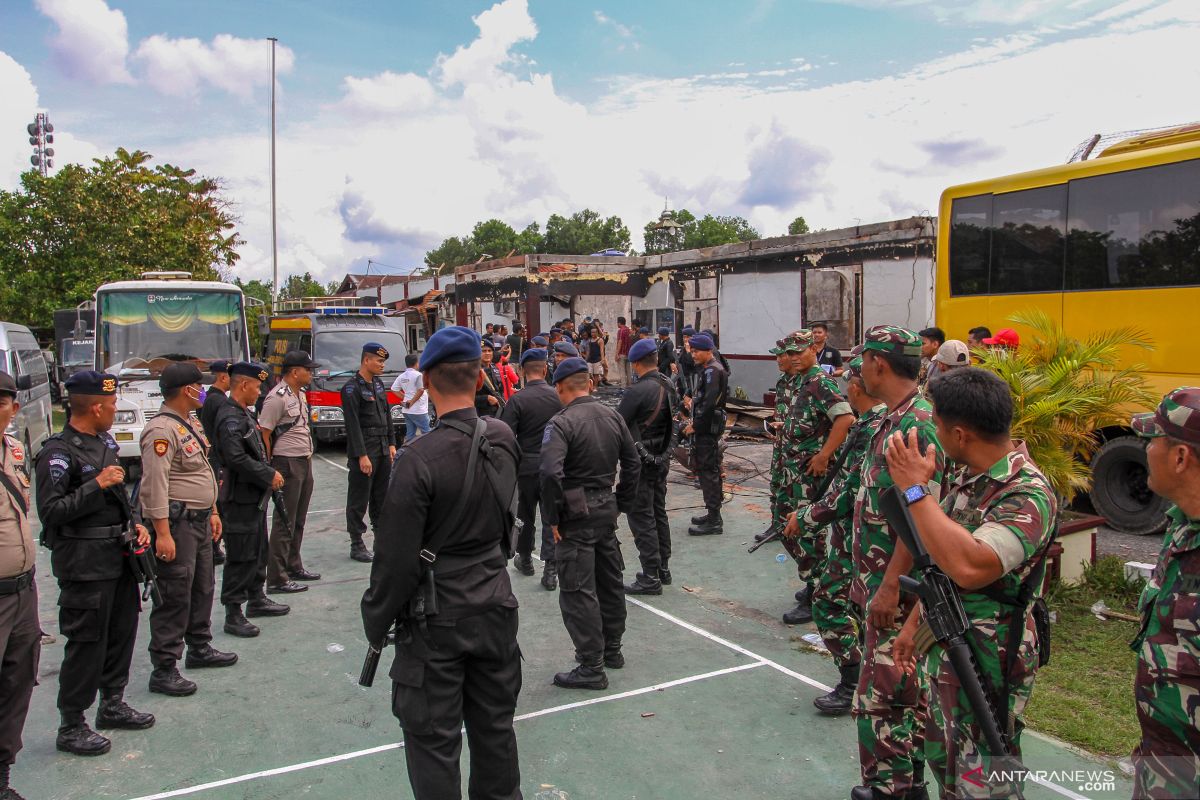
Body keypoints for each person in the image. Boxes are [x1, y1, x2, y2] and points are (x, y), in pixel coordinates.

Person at [361, 326, 522, 800]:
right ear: (477, 378)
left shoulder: (418, 459)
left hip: (436, 618)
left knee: (433, 741)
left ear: (426, 381)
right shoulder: (503, 437)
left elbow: (394, 561)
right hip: (494, 603)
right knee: (495, 729)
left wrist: (376, 620)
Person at [886, 367, 1057, 800]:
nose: (933, 432)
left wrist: (913, 491)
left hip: (990, 654)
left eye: (937, 425)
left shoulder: (1026, 493)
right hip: (950, 640)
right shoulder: (969, 479)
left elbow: (970, 566)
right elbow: (941, 563)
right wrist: (914, 627)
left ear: (960, 434)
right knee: (949, 761)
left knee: (984, 774)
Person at [848, 325, 949, 800]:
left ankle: (893, 788)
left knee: (885, 696)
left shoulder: (916, 425)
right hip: (880, 581)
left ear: (878, 363)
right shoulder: (895, 417)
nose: (859, 370)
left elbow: (921, 515)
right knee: (897, 692)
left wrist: (890, 585)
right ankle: (901, 784)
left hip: (899, 590)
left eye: (862, 360)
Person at [34, 371, 155, 756]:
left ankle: (112, 703)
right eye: (113, 405)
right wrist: (94, 485)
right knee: (87, 643)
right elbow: (51, 512)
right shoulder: (58, 453)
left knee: (122, 632)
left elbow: (121, 495)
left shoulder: (103, 443)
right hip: (84, 565)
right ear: (98, 407)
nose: (115, 410)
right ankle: (72, 724)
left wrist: (135, 524)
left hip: (118, 558)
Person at [786, 355, 886, 715]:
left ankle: (852, 680)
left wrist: (807, 517)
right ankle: (864, 676)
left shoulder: (874, 427)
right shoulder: (875, 422)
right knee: (855, 607)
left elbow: (850, 489)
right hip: (856, 536)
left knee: (829, 604)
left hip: (866, 541)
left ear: (857, 387)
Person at [540, 357, 640, 689]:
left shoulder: (561, 423)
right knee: (609, 581)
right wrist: (621, 502)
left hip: (576, 516)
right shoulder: (612, 416)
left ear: (559, 387)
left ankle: (591, 665)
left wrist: (553, 517)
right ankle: (612, 650)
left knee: (577, 590)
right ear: (591, 384)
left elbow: (550, 473)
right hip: (605, 510)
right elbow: (633, 462)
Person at [139, 363, 236, 698]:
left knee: (202, 587)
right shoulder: (161, 430)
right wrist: (162, 533)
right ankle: (164, 667)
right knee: (175, 594)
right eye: (199, 386)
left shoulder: (189, 423)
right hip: (177, 525)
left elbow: (203, 471)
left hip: (198, 521)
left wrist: (211, 510)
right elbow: (155, 484)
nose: (203, 391)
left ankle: (199, 647)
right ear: (185, 390)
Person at [1127, 387, 1200, 798]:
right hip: (1165, 763)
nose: (1146, 450)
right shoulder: (1182, 525)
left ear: (1180, 457)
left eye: (1151, 439)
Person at [777, 330, 853, 625]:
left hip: (810, 474)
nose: (793, 358)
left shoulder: (821, 382)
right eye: (790, 353)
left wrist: (823, 456)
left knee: (809, 534)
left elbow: (845, 418)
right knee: (785, 524)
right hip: (793, 471)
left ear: (813, 349)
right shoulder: (800, 381)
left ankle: (816, 593)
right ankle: (813, 579)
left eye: (799, 352)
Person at [214, 362, 290, 639]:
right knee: (241, 554)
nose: (259, 392)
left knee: (258, 549)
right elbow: (235, 458)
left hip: (253, 496)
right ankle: (234, 612)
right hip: (239, 497)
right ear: (244, 385)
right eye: (257, 387)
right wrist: (268, 474)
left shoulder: (242, 413)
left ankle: (256, 598)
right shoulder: (230, 417)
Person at [0, 372, 38, 796]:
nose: (15, 409)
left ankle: (2, 774)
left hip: (22, 588)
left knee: (16, 681)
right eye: (10, 402)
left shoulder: (11, 448)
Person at [619, 338, 680, 595]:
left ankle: (650, 576)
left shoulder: (636, 392)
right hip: (661, 458)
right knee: (658, 513)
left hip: (640, 461)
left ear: (635, 363)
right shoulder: (668, 385)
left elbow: (619, 425)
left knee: (641, 517)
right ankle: (663, 568)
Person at [500, 349, 563, 589]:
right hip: (553, 464)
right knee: (551, 516)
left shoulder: (517, 400)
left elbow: (506, 436)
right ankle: (551, 569)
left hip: (525, 466)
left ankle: (525, 558)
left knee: (524, 515)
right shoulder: (557, 397)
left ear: (522, 372)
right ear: (545, 370)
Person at [259, 351, 321, 594]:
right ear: (295, 372)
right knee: (285, 521)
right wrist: (270, 467)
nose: (311, 373)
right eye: (308, 369)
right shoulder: (277, 398)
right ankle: (276, 578)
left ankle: (293, 565)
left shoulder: (300, 394)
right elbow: (264, 433)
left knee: (298, 519)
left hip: (304, 460)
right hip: (286, 463)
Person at [342, 343, 397, 563]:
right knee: (359, 498)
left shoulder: (379, 384)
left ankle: (381, 540)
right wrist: (361, 455)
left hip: (383, 448)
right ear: (366, 360)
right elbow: (352, 424)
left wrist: (392, 443)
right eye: (379, 361)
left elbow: (388, 414)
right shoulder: (351, 388)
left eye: (383, 362)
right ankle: (357, 543)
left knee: (381, 497)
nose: (382, 365)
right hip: (365, 449)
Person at [760, 333, 805, 544]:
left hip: (800, 448)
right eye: (777, 356)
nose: (778, 360)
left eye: (782, 355)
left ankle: (796, 528)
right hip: (782, 443)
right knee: (777, 485)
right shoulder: (783, 382)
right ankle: (777, 525)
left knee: (798, 491)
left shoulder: (808, 382)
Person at [685, 334, 729, 536]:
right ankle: (713, 514)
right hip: (707, 427)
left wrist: (696, 425)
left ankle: (714, 520)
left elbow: (710, 403)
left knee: (708, 472)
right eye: (692, 351)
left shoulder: (713, 370)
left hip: (706, 430)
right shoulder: (711, 369)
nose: (693, 354)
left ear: (708, 350)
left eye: (696, 351)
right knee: (708, 471)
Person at [200, 359, 230, 566]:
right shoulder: (218, 401)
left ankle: (214, 547)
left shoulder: (208, 398)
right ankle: (214, 547)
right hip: (217, 458)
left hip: (211, 456)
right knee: (219, 505)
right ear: (222, 377)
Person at [392, 354, 430, 442]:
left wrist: (405, 398)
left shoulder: (402, 376)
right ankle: (429, 453)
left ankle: (407, 453)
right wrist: (412, 401)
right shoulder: (418, 375)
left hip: (406, 410)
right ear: (417, 363)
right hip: (418, 410)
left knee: (410, 435)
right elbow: (420, 390)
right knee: (427, 433)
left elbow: (394, 389)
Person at [475, 339, 505, 416]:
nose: (487, 353)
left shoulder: (494, 368)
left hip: (497, 412)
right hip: (480, 414)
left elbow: (500, 390)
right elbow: (467, 397)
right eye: (484, 351)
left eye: (489, 351)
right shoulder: (473, 371)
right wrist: (486, 398)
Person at [616, 316, 632, 386]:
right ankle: (630, 386)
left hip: (622, 353)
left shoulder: (621, 331)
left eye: (617, 322)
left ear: (619, 323)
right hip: (629, 354)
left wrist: (617, 353)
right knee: (628, 371)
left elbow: (620, 342)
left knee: (622, 371)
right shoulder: (629, 330)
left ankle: (623, 387)